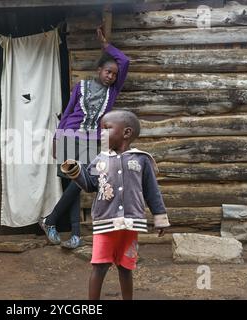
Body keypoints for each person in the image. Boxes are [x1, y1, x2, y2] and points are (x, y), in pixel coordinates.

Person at [60, 110, 170, 300]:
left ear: (126, 133)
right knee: (99, 266)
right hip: (105, 222)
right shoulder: (99, 160)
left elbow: (152, 191)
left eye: (107, 129)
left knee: (126, 267)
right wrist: (76, 172)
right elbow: (90, 185)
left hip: (130, 223)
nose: (101, 134)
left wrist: (160, 218)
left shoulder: (142, 159)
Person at [39, 27, 130, 249]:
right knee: (74, 183)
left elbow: (125, 62)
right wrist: (55, 139)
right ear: (99, 70)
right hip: (69, 136)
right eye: (108, 72)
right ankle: (75, 235)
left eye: (114, 74)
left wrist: (106, 46)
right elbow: (68, 112)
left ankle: (50, 221)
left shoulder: (113, 92)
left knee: (79, 183)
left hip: (91, 141)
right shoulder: (81, 86)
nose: (111, 76)